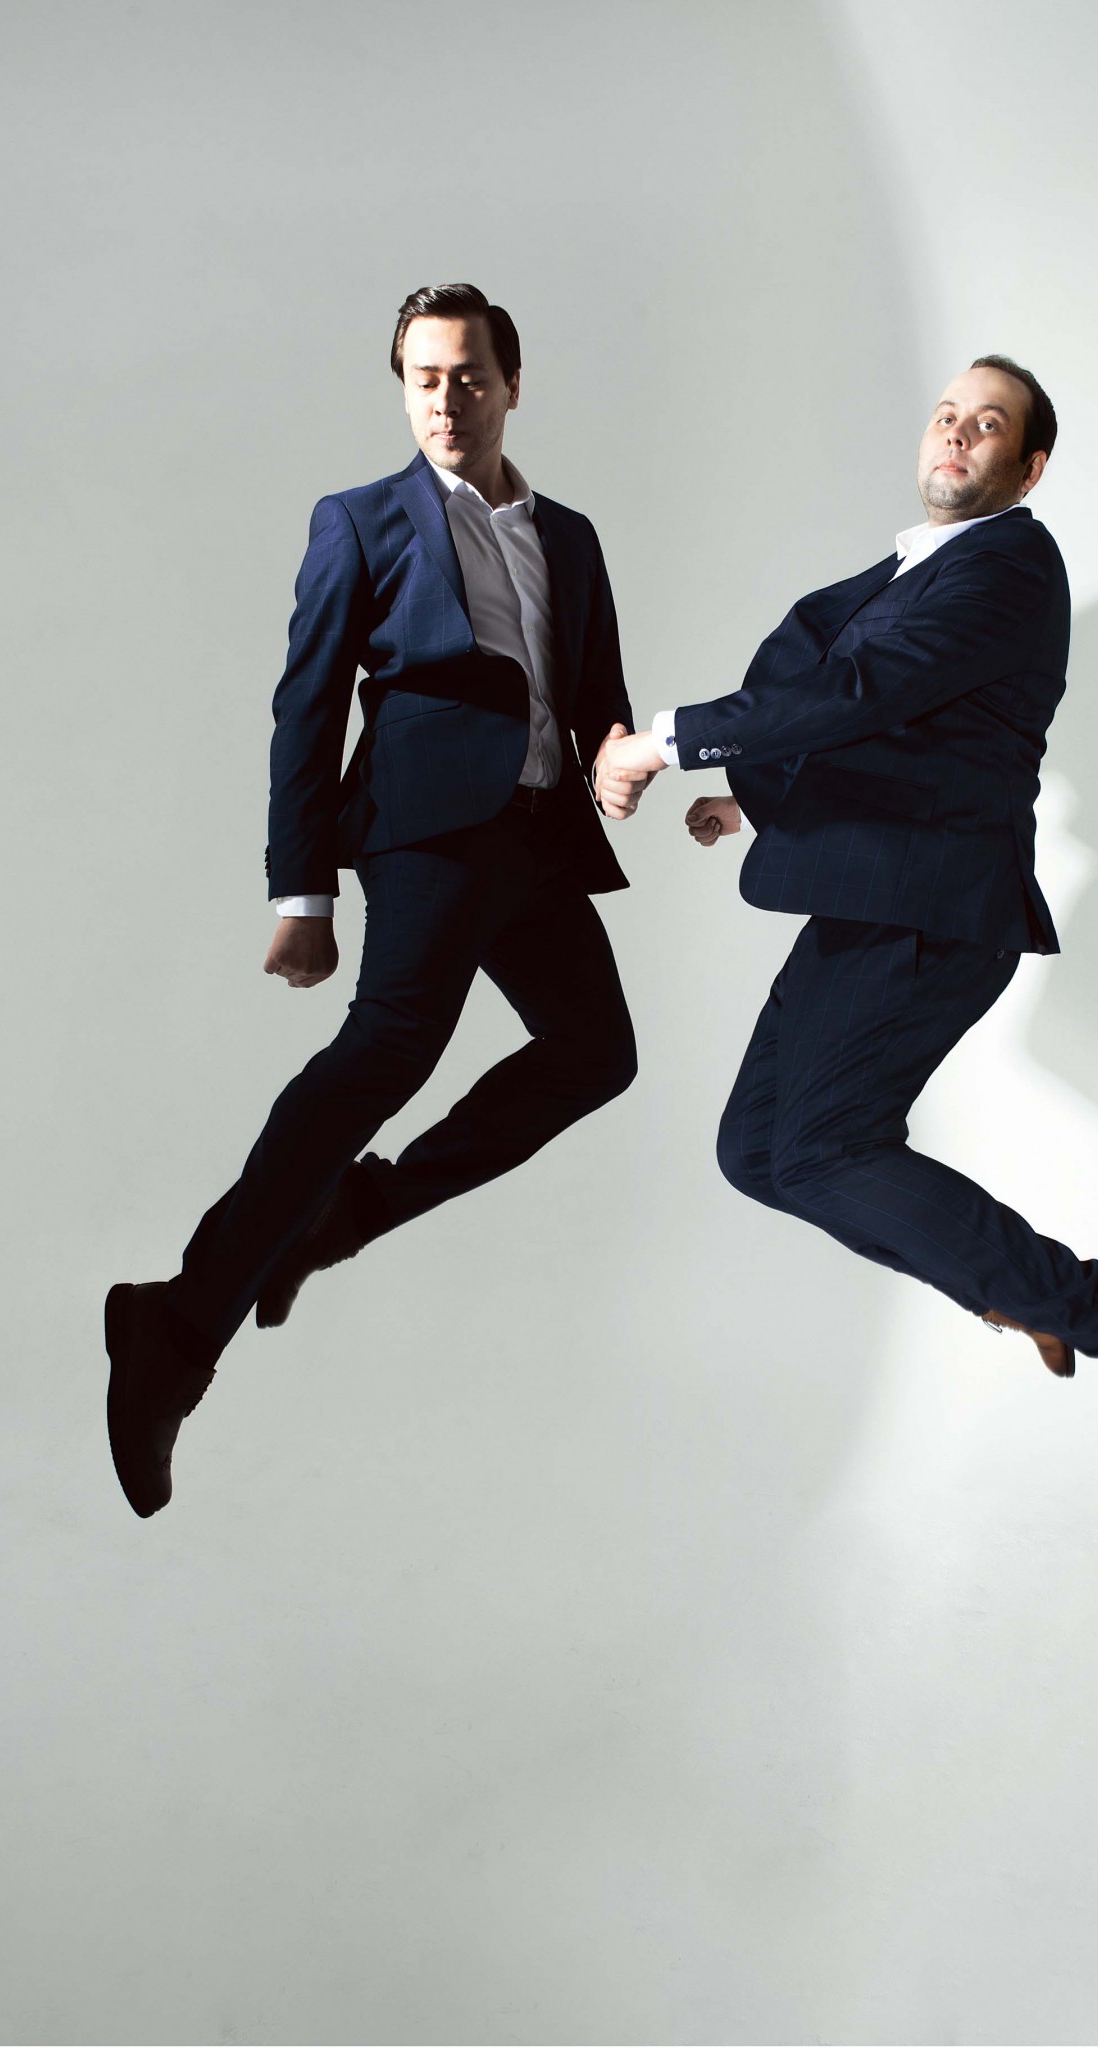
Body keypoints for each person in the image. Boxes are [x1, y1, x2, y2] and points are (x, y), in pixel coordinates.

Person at [594, 356, 1098, 1459]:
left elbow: (865, 691)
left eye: (988, 424)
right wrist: (756, 801)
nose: (956, 433)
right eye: (946, 414)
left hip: (928, 907)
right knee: (756, 1152)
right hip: (872, 897)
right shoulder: (929, 565)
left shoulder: (1008, 564)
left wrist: (664, 743)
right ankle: (1021, 1287)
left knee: (820, 1151)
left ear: (1029, 467)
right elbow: (898, 721)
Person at [106, 283, 643, 1518]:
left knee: (595, 1053)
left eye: (467, 376)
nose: (444, 400)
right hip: (426, 833)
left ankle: (340, 1213)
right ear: (404, 388)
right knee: (385, 1051)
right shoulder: (359, 521)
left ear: (512, 385)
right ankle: (176, 1330)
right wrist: (301, 889)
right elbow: (305, 707)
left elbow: (599, 695)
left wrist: (642, 760)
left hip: (536, 836)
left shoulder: (568, 536)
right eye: (422, 378)